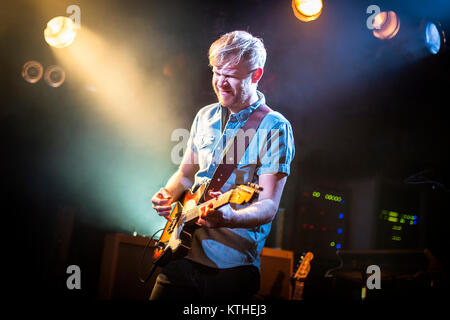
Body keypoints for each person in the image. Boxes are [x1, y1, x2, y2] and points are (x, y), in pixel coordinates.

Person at [150, 30, 295, 301]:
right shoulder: (204, 116)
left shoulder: (274, 127)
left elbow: (268, 205)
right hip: (180, 252)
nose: (220, 82)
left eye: (231, 75)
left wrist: (230, 217)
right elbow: (185, 174)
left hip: (230, 270)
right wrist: (167, 195)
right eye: (216, 72)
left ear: (256, 75)